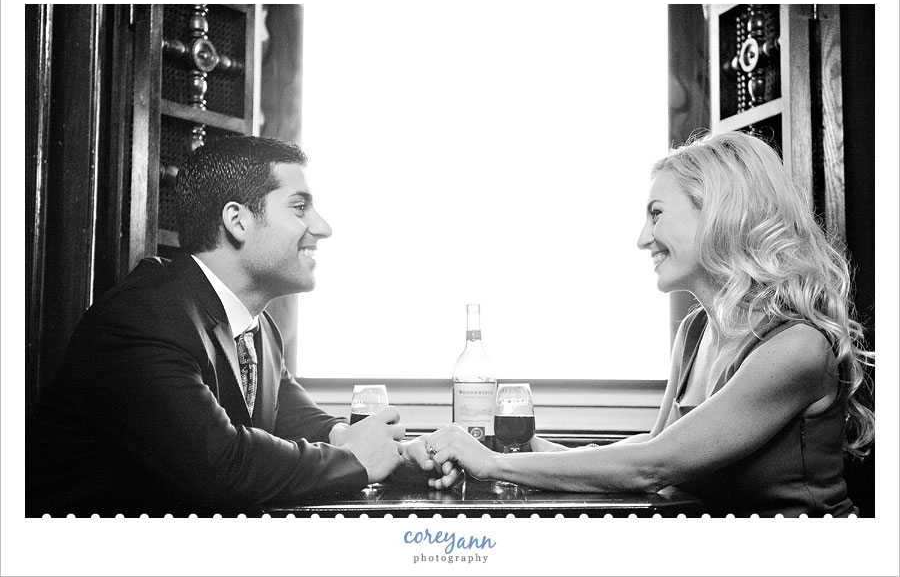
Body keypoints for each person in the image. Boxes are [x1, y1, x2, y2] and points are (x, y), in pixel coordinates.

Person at [412, 131, 875, 517]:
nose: (641, 239)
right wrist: (529, 446)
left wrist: (492, 464)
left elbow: (655, 467)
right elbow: (657, 446)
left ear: (719, 214)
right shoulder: (695, 332)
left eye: (657, 214)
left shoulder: (795, 348)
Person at [26, 136, 411, 517]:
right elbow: (220, 468)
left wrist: (393, 450)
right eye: (299, 208)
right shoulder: (145, 316)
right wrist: (356, 460)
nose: (323, 228)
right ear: (237, 221)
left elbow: (297, 421)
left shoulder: (257, 328)